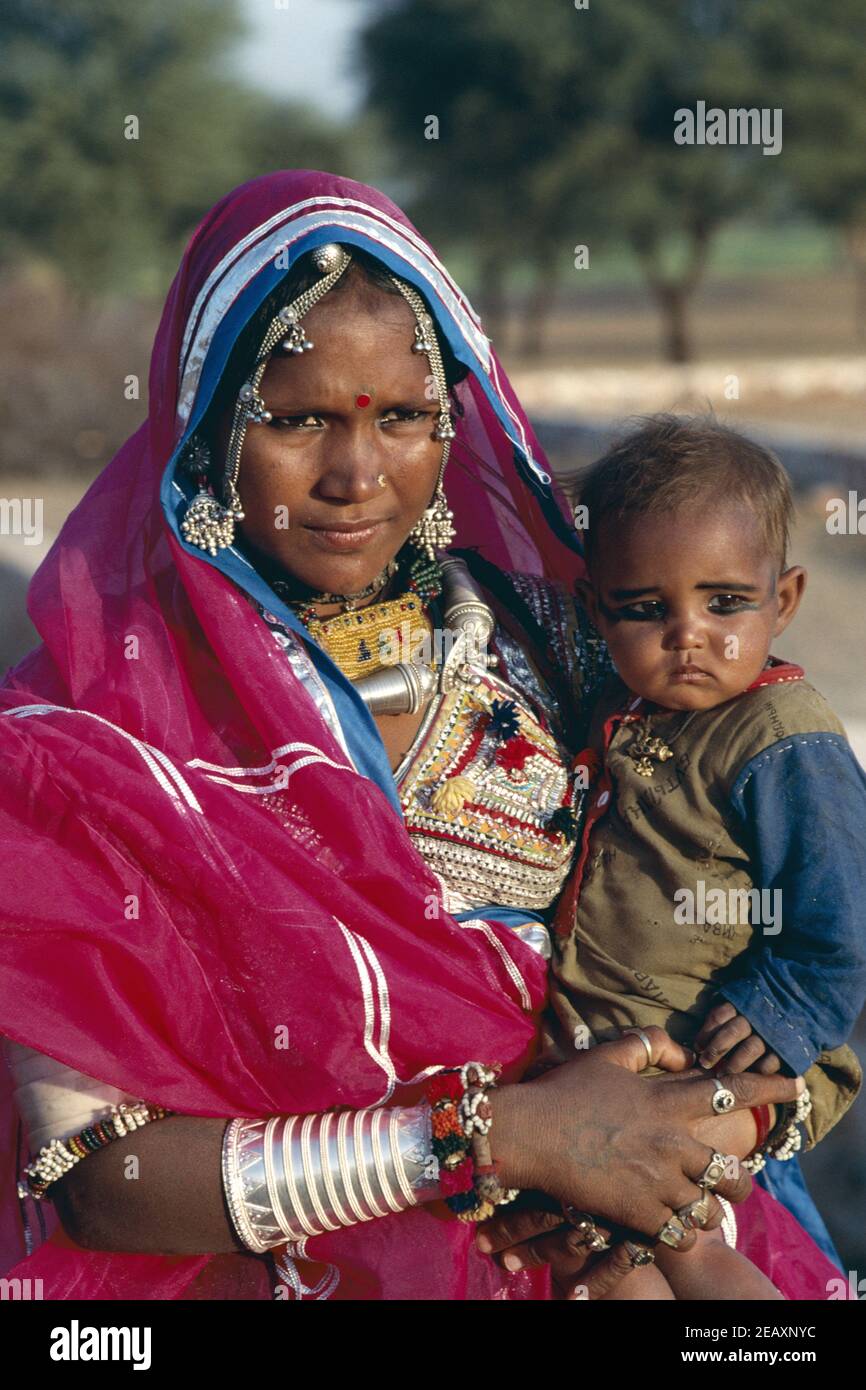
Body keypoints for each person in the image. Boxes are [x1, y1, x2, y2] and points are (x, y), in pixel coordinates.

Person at [0, 172, 815, 1301]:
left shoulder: (574, 644)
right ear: (206, 425)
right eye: (295, 420)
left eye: (402, 417)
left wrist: (690, 1136)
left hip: (639, 1230)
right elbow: (98, 1175)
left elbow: (788, 894)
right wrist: (511, 1140)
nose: (355, 475)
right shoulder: (98, 735)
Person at [548, 414, 866, 1296]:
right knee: (611, 1253)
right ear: (593, 611)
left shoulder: (782, 740)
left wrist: (783, 1008)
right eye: (647, 610)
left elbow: (844, 908)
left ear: (785, 600)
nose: (689, 633)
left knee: (682, 1226)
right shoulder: (623, 712)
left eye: (725, 603)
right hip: (618, 1047)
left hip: (727, 1054)